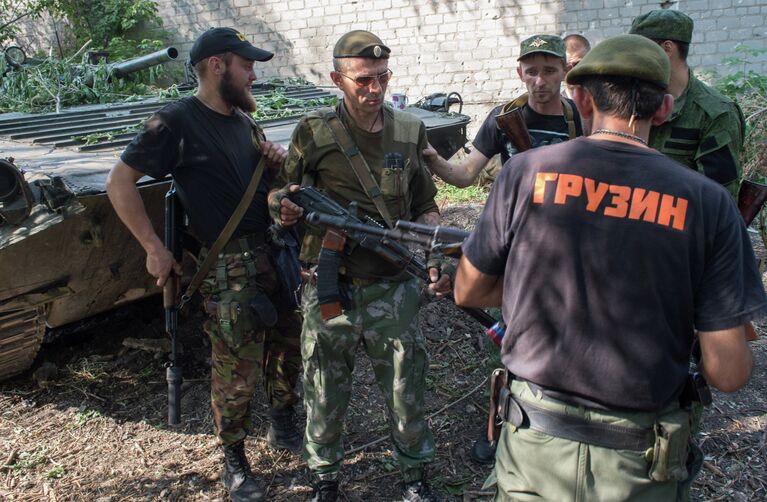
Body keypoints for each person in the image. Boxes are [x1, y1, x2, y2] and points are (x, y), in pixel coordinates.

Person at [453, 34, 765, 501]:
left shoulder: (525, 173)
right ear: (663, 108)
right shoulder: (710, 204)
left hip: (533, 450)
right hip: (640, 466)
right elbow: (729, 372)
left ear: (580, 97)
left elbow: (469, 291)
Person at [106, 27, 303, 502]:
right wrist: (154, 247)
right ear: (218, 65)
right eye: (246, 64)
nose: (253, 73)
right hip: (230, 267)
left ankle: (282, 422)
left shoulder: (244, 122)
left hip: (274, 255)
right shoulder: (176, 121)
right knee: (235, 370)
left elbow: (261, 190)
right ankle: (234, 464)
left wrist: (276, 167)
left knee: (287, 346)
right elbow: (119, 182)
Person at [269, 30, 450, 502]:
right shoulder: (314, 132)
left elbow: (427, 204)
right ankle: (324, 478)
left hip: (393, 288)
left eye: (383, 77)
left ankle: (415, 478)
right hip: (332, 288)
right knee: (324, 390)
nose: (375, 88)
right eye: (363, 80)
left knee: (406, 392)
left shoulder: (409, 131)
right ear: (337, 79)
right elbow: (282, 192)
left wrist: (429, 245)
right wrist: (284, 208)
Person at [423, 34, 583, 188]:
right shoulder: (503, 118)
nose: (540, 81)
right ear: (520, 73)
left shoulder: (581, 116)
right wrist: (433, 158)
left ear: (565, 71)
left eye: (549, 71)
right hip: (517, 214)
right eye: (531, 72)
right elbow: (465, 174)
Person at [629, 9, 746, 198]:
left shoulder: (716, 113)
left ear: (667, 48)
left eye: (639, 49)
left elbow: (718, 198)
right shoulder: (629, 99)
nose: (633, 57)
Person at [563, 34, 591, 99]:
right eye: (567, 66)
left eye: (577, 64)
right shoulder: (554, 106)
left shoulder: (606, 102)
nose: (572, 71)